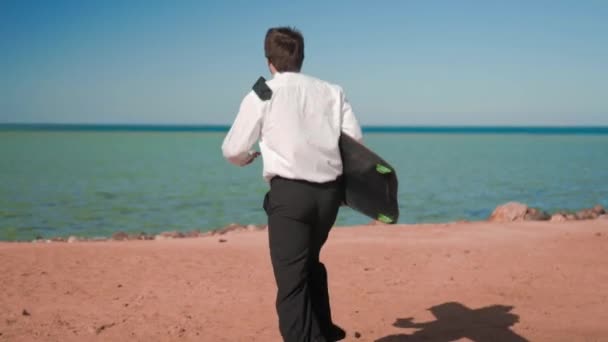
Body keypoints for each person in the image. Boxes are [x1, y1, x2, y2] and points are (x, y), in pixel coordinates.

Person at [221, 26, 362, 342]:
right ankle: (324, 329)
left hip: (290, 197)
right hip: (329, 196)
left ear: (269, 60)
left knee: (291, 283)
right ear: (302, 58)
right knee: (308, 262)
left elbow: (232, 149)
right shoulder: (331, 91)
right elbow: (354, 141)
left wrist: (247, 158)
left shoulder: (263, 92)